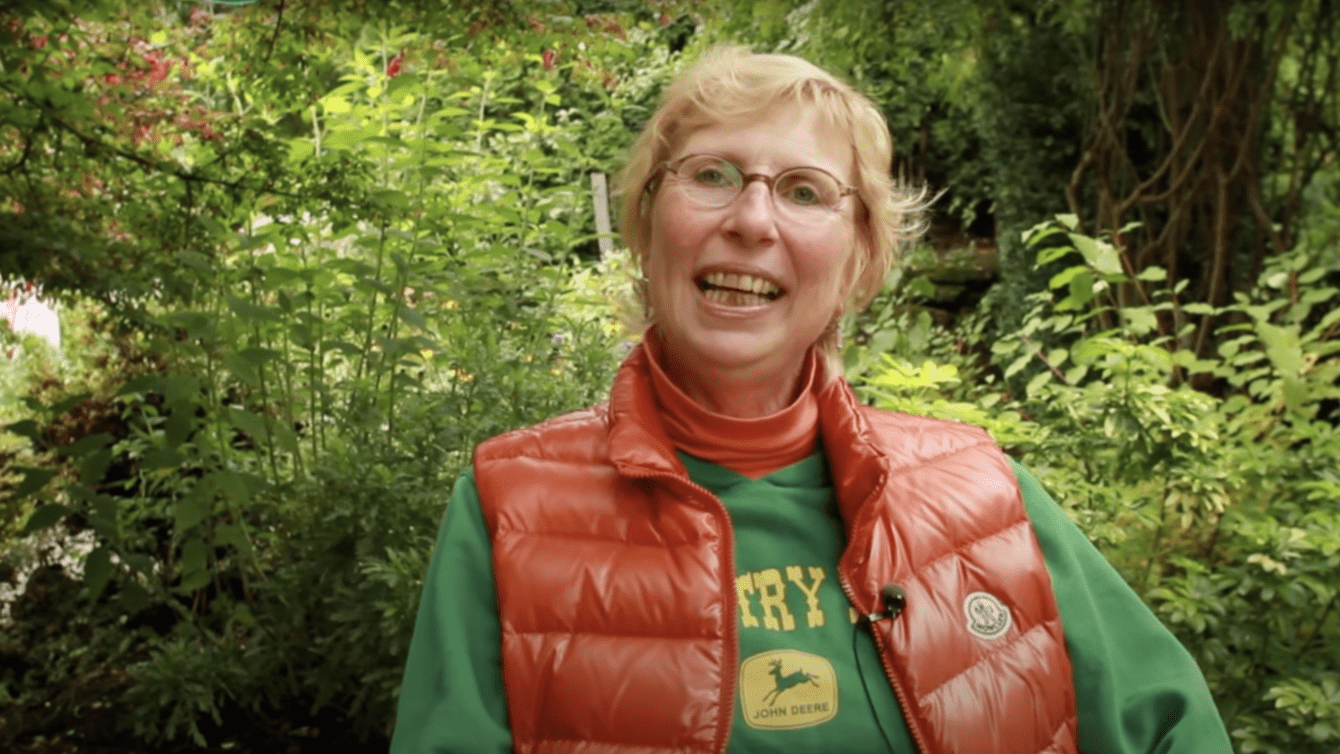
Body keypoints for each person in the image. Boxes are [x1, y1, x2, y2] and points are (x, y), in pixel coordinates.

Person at [390, 47, 1233, 754]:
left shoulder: (987, 499)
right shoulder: (510, 508)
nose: (754, 220)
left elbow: (1173, 727)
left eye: (803, 191)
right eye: (713, 174)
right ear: (648, 226)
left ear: (860, 259)